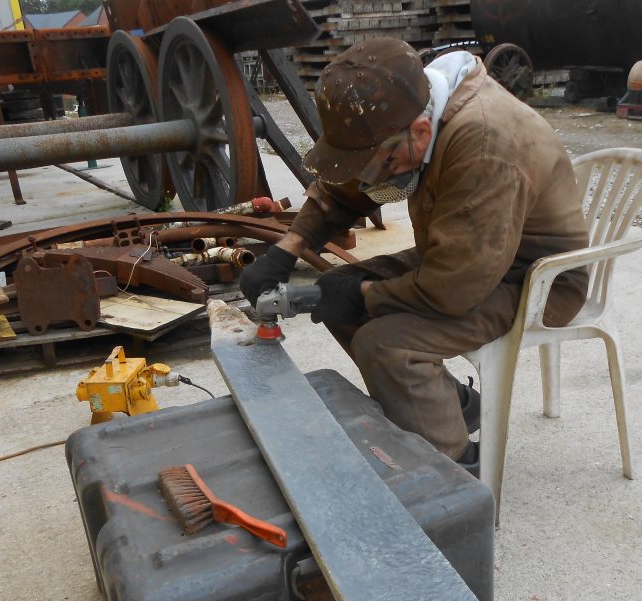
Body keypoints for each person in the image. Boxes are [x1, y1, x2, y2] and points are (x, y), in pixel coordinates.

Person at [240, 37, 589, 475]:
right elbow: (348, 191)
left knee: (385, 343)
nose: (372, 181)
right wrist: (286, 250)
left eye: (376, 167)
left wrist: (366, 295)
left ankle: (457, 467)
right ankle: (457, 406)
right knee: (332, 295)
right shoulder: (414, 107)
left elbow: (455, 288)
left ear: (421, 133)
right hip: (467, 253)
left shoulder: (483, 141)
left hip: (536, 279)